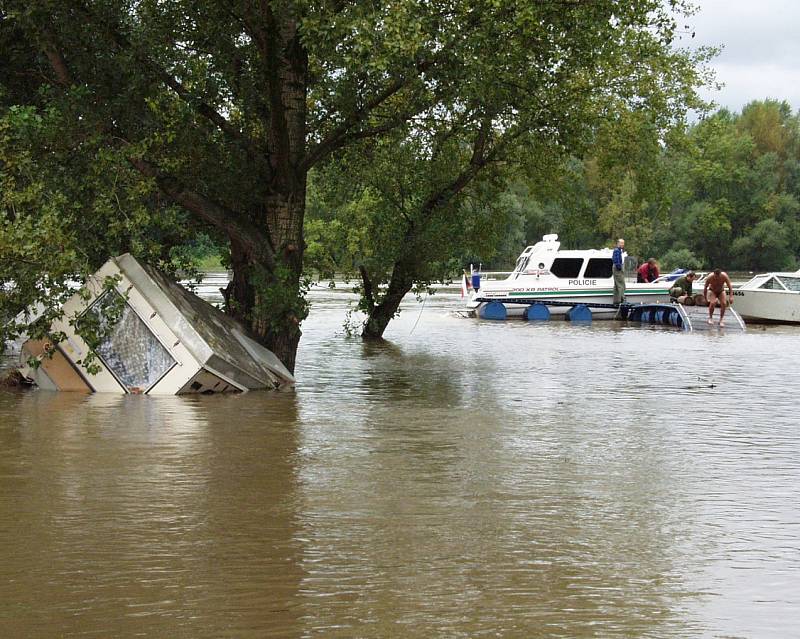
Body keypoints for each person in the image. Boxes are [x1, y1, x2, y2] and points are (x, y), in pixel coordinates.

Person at [612, 238, 626, 304]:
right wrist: (619, 267)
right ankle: (622, 299)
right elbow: (616, 259)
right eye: (621, 243)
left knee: (617, 284)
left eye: (623, 243)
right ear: (618, 243)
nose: (623, 244)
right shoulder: (617, 250)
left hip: (618, 268)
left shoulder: (620, 250)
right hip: (618, 268)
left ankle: (617, 300)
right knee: (621, 284)